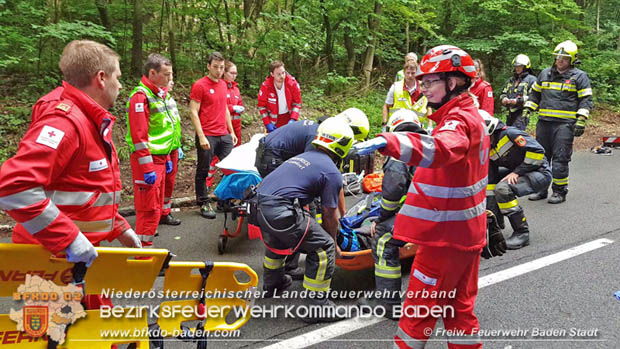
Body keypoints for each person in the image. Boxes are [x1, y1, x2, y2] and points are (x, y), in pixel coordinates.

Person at [358, 45, 496, 348]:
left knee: (416, 317)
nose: (424, 88)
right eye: (422, 81)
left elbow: (439, 150)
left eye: (431, 81)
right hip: (464, 237)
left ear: (454, 81)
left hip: (444, 240)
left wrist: (390, 141)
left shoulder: (458, 122)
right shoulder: (467, 115)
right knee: (459, 310)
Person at [0, 40, 141, 268]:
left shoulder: (87, 119)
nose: (121, 85)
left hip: (75, 258)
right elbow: (13, 187)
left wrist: (119, 227)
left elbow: (82, 189)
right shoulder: (64, 122)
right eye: (119, 77)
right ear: (102, 78)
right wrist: (69, 239)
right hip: (51, 262)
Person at [256, 117, 354, 323]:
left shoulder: (304, 155)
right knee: (323, 246)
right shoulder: (331, 171)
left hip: (258, 206)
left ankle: (273, 283)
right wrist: (333, 241)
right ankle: (317, 306)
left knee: (278, 237)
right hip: (280, 210)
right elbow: (330, 215)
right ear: (343, 145)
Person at [358, 110, 424, 320]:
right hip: (443, 213)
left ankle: (387, 302)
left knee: (384, 239)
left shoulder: (400, 151)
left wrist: (381, 218)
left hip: (421, 215)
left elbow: (393, 191)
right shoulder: (428, 143)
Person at [524, 40, 593, 204]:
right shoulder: (545, 73)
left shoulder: (579, 77)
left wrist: (581, 119)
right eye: (557, 57)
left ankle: (559, 192)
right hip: (544, 122)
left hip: (565, 124)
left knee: (560, 158)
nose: (560, 61)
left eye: (564, 58)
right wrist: (528, 108)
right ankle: (541, 189)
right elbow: (535, 95)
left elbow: (586, 100)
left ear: (572, 60)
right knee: (540, 157)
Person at [125, 54, 182, 246]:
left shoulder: (158, 94)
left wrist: (170, 153)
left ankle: (148, 255)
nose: (169, 79)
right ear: (152, 73)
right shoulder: (140, 97)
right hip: (148, 160)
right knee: (148, 210)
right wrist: (148, 167)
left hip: (160, 157)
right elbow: (139, 138)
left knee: (155, 207)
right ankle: (144, 257)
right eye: (166, 75)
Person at [483, 112, 551, 250]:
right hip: (521, 171)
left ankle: (522, 233)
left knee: (503, 188)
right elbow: (490, 181)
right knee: (486, 184)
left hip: (539, 172)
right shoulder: (489, 146)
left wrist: (517, 172)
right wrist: (492, 219)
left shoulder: (510, 134)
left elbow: (537, 151)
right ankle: (497, 223)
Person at [189, 52, 237, 219]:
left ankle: (225, 200)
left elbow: (224, 108)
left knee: (230, 168)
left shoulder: (223, 85)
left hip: (223, 134)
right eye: (215, 67)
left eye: (222, 67)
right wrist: (201, 136)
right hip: (207, 134)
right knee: (203, 169)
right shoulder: (200, 85)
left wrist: (230, 131)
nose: (218, 71)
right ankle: (203, 202)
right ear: (208, 66)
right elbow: (193, 111)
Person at [160, 78, 183, 226]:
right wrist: (167, 153)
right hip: (161, 150)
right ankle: (153, 218)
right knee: (158, 186)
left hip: (173, 147)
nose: (173, 83)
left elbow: (175, 125)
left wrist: (178, 146)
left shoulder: (169, 100)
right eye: (170, 80)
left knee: (169, 183)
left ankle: (165, 213)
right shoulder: (155, 101)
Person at [382, 60, 429, 130]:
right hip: (397, 127)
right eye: (408, 73)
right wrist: (384, 124)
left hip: (417, 128)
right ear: (404, 73)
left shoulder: (424, 87)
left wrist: (430, 125)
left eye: (413, 73)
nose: (410, 75)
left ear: (417, 73)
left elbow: (428, 107)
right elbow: (386, 106)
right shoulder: (395, 87)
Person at [257, 60, 302, 131]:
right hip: (273, 122)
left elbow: (297, 103)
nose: (282, 76)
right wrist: (267, 123)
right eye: (278, 74)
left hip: (288, 118)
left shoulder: (292, 84)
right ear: (272, 74)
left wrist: (293, 119)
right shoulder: (266, 87)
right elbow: (261, 106)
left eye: (283, 73)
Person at [499, 54, 537, 131]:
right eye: (516, 66)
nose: (517, 68)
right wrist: (504, 98)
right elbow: (503, 93)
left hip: (522, 114)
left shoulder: (532, 80)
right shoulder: (511, 80)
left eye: (520, 66)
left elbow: (533, 97)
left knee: (517, 135)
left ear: (525, 66)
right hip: (509, 114)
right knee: (509, 135)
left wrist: (518, 101)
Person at [224, 60, 245, 146]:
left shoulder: (235, 89)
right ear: (224, 73)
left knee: (237, 147)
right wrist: (232, 108)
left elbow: (240, 103)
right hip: (225, 125)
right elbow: (220, 106)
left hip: (237, 124)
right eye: (231, 73)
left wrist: (241, 108)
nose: (234, 76)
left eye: (235, 73)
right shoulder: (220, 87)